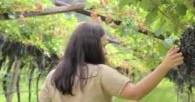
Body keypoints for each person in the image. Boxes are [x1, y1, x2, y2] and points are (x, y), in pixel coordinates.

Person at [39, 22, 184, 102]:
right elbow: (135, 93)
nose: (106, 51)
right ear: (92, 47)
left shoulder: (53, 76)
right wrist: (164, 66)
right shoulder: (100, 72)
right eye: (103, 46)